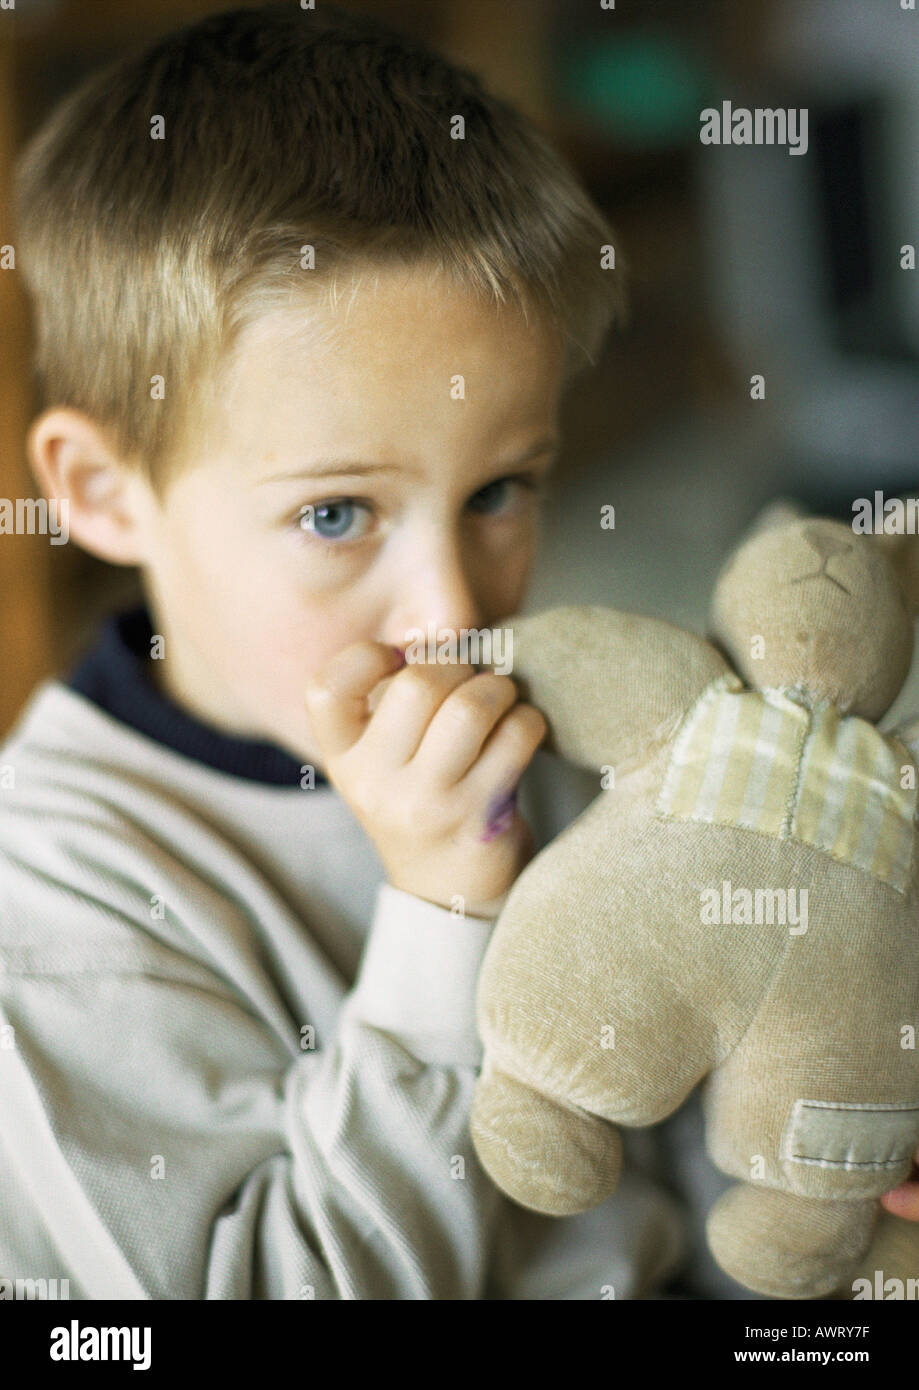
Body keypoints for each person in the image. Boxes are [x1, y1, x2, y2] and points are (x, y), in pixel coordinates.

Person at [1, 2, 913, 1301]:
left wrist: (829, 1152)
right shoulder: (56, 905)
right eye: (335, 513)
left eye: (500, 490)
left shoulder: (555, 713)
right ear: (99, 489)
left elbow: (685, 1081)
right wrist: (442, 912)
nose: (447, 611)